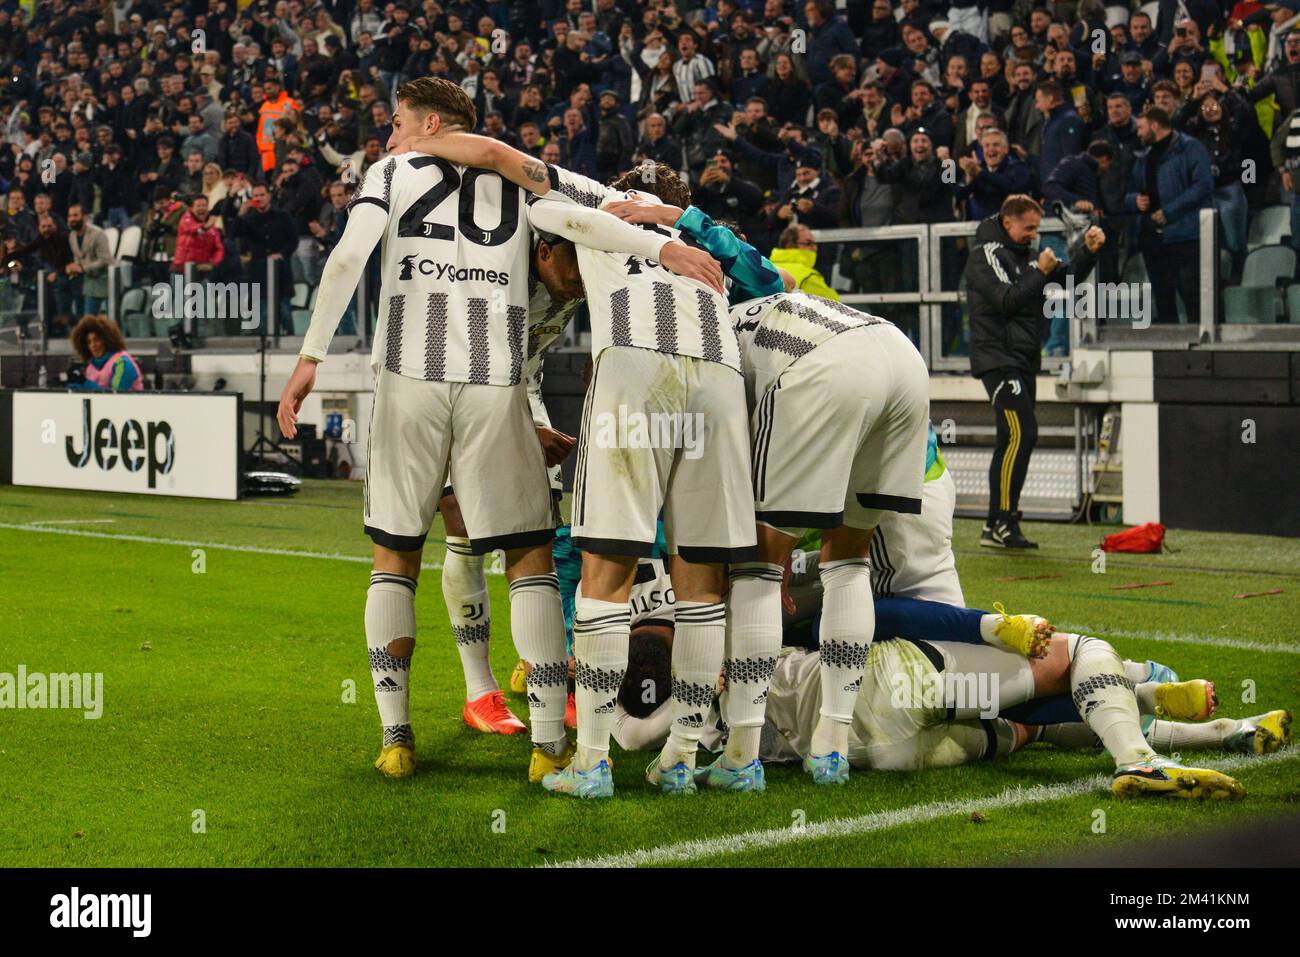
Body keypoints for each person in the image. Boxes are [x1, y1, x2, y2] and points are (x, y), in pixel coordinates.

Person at [275, 78, 722, 784]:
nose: (388, 137)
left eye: (395, 122)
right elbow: (595, 219)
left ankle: (397, 736)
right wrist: (664, 249)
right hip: (494, 383)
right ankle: (548, 744)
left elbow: (343, 260)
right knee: (530, 558)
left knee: (394, 555)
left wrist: (308, 361)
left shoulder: (391, 171)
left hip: (406, 381)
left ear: (426, 124)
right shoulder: (520, 186)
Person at [964, 194, 1105, 548]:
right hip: (998, 358)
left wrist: (1086, 251)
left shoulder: (1027, 256)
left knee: (1014, 437)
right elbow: (1006, 300)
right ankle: (1003, 522)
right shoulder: (985, 255)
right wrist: (1038, 271)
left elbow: (1067, 281)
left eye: (1036, 229)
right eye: (1029, 228)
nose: (1034, 234)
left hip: (1023, 358)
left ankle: (997, 523)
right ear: (1008, 222)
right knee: (1021, 433)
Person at [1126, 105, 1214, 325]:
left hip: (1184, 234)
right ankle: (1169, 348)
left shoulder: (1190, 147)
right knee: (1162, 297)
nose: (1138, 132)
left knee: (1191, 294)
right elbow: (1128, 190)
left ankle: (1200, 344)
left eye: (1141, 127)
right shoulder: (1143, 155)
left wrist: (1169, 211)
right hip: (1152, 237)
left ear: (1155, 125)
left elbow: (1203, 185)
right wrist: (1134, 199)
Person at [68, 314, 143, 392]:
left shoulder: (122, 362)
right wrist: (74, 384)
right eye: (88, 342)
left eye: (96, 340)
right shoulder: (90, 366)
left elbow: (114, 395)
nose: (93, 345)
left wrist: (84, 382)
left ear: (107, 340)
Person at [65, 204, 113, 316]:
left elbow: (106, 260)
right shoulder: (72, 235)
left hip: (106, 281)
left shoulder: (98, 234)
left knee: (112, 322)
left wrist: (82, 268)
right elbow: (78, 258)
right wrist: (73, 268)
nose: (72, 219)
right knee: (88, 321)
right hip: (89, 284)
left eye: (75, 215)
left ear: (85, 217)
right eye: (70, 216)